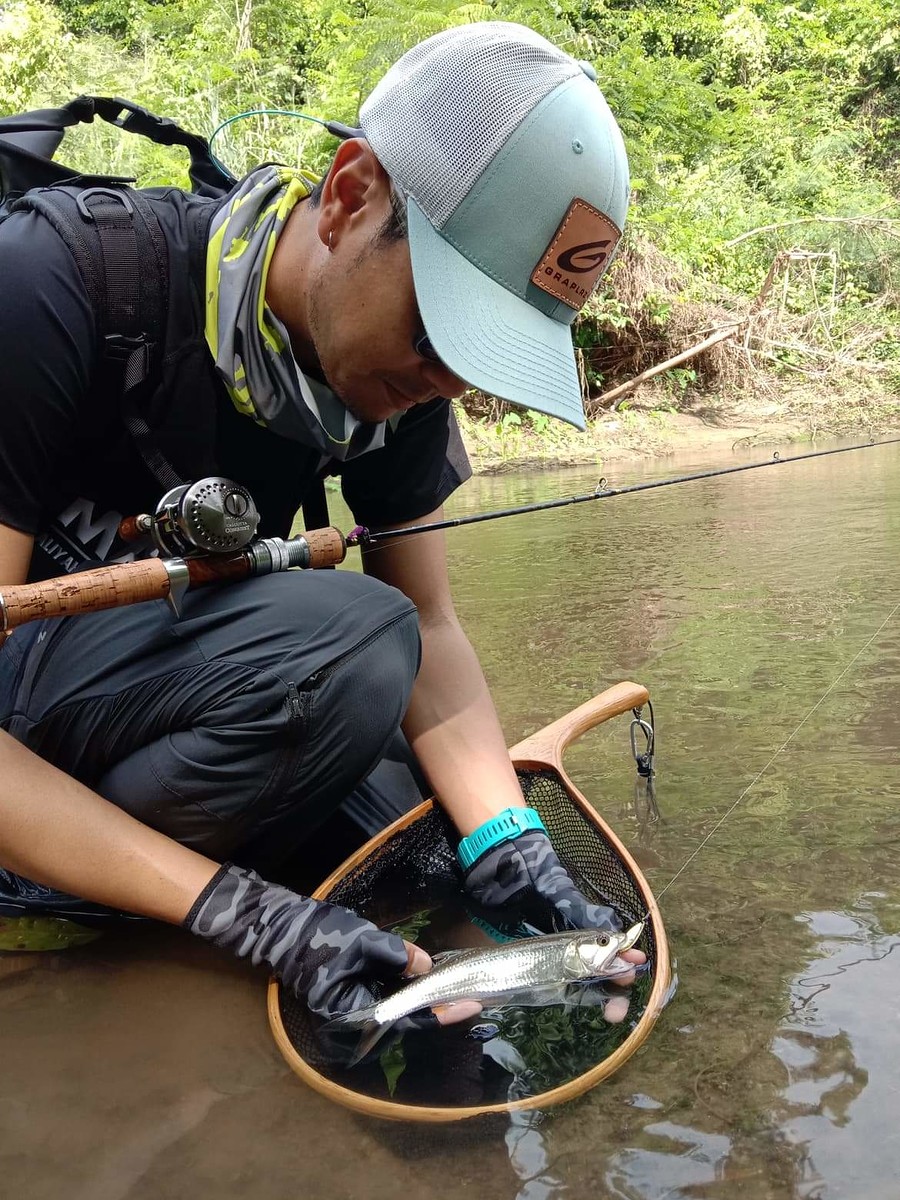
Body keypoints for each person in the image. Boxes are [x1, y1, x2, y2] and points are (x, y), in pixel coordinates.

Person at [0, 22, 643, 1032]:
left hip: (158, 708)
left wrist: (511, 847)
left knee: (420, 834)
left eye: (485, 356)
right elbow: (386, 634)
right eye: (441, 334)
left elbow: (431, 623)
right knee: (352, 641)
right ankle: (60, 885)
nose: (450, 383)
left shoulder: (393, 384)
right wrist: (250, 916)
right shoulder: (52, 284)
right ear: (349, 196)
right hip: (22, 722)